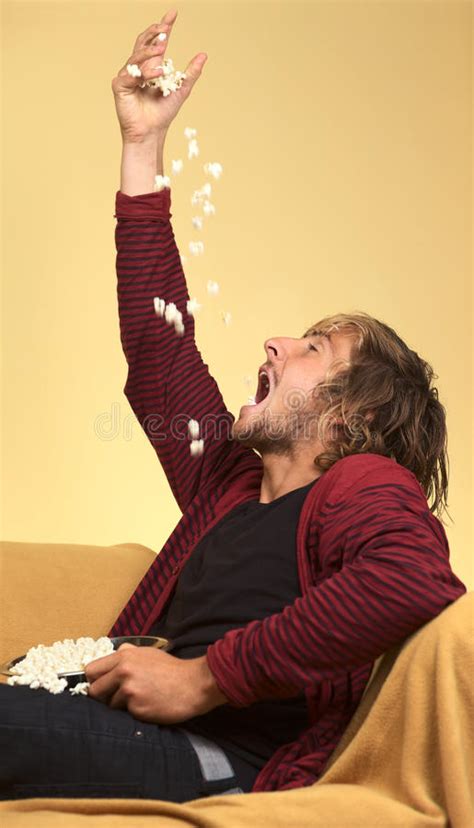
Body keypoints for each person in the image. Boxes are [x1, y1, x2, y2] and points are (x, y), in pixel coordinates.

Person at [0, 7, 466, 804]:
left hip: (226, 760)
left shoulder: (360, 489)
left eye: (313, 348)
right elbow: (160, 356)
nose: (275, 346)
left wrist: (206, 678)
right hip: (130, 727)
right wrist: (141, 148)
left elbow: (412, 577)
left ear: (352, 419)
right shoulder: (228, 485)